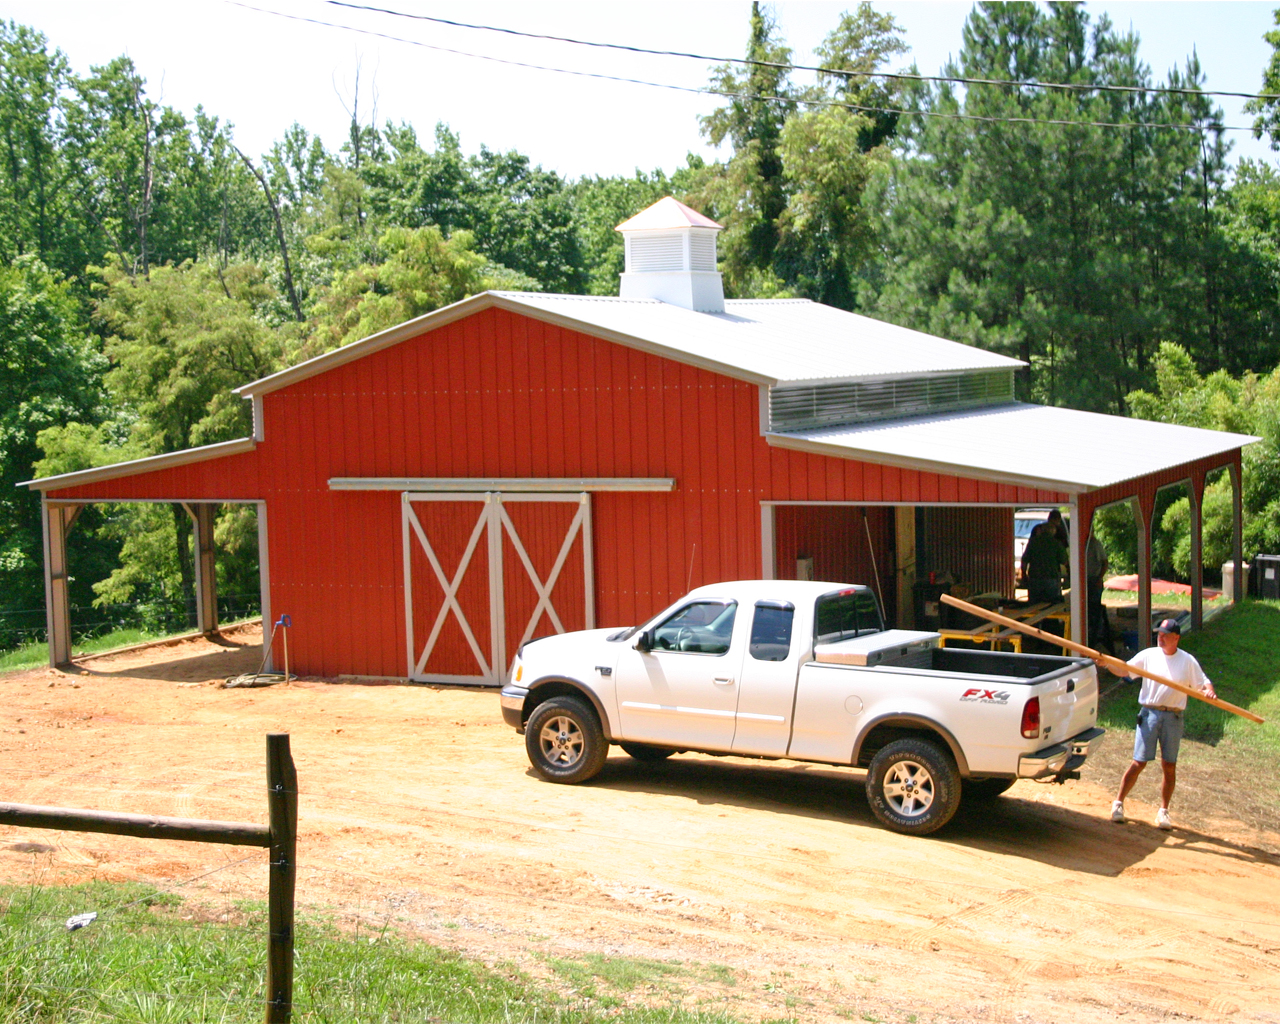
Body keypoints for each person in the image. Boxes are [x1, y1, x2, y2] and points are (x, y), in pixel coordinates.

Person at [1105, 619, 1216, 830]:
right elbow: (1125, 670)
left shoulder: (1187, 661)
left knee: (1169, 765)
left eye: (1165, 635)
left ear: (1176, 638)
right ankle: (1118, 803)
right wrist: (1107, 664)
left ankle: (1164, 811)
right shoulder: (1149, 655)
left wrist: (1209, 691)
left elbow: (1203, 682)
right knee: (1139, 762)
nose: (1161, 638)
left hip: (1173, 716)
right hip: (1149, 714)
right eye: (1159, 634)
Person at [1021, 519, 1067, 604]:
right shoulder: (1056, 543)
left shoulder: (1033, 542)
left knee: (1034, 605)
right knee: (1051, 605)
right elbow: (1064, 561)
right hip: (1051, 579)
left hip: (1035, 579)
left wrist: (1024, 574)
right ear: (1053, 531)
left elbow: (1025, 560)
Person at [1085, 532, 1113, 650]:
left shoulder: (1095, 545)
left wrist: (1099, 578)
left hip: (1094, 580)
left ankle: (1094, 638)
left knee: (1095, 611)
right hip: (1084, 580)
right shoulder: (1083, 544)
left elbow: (1104, 563)